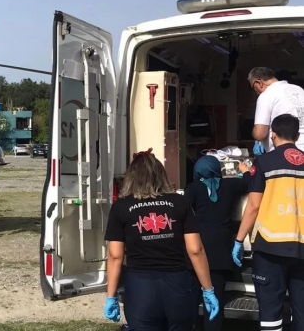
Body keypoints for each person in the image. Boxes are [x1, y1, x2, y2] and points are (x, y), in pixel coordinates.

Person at [102, 149, 219, 330]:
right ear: (161, 175)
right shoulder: (180, 203)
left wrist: (111, 296)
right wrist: (208, 289)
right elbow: (196, 249)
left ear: (131, 177)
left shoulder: (121, 207)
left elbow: (115, 256)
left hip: (141, 287)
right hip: (178, 284)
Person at [233, 113, 304, 331]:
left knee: (271, 314)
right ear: (298, 134)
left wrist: (239, 240)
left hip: (270, 247)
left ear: (272, 135)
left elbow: (253, 206)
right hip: (301, 248)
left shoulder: (264, 162)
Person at [183, 155, 251, 331]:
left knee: (190, 302)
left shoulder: (193, 188)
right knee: (214, 304)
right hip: (220, 253)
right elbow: (249, 183)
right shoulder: (230, 185)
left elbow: (182, 210)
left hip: (197, 252)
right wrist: (245, 171)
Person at [248, 66, 304, 155]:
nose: (255, 92)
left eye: (253, 88)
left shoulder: (266, 95)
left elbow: (260, 134)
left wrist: (256, 138)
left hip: (286, 155)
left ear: (258, 83)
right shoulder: (299, 90)